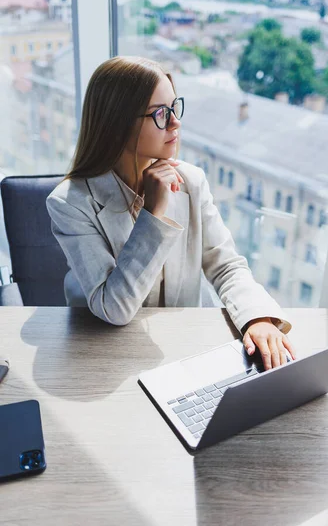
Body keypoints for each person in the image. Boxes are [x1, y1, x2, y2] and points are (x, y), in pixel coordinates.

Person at [47, 56, 296, 370]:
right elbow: (115, 308)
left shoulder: (191, 181)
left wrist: (257, 318)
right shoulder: (69, 204)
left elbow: (226, 265)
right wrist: (153, 212)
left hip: (184, 349)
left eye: (174, 107)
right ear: (117, 124)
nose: (176, 123)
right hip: (107, 357)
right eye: (160, 114)